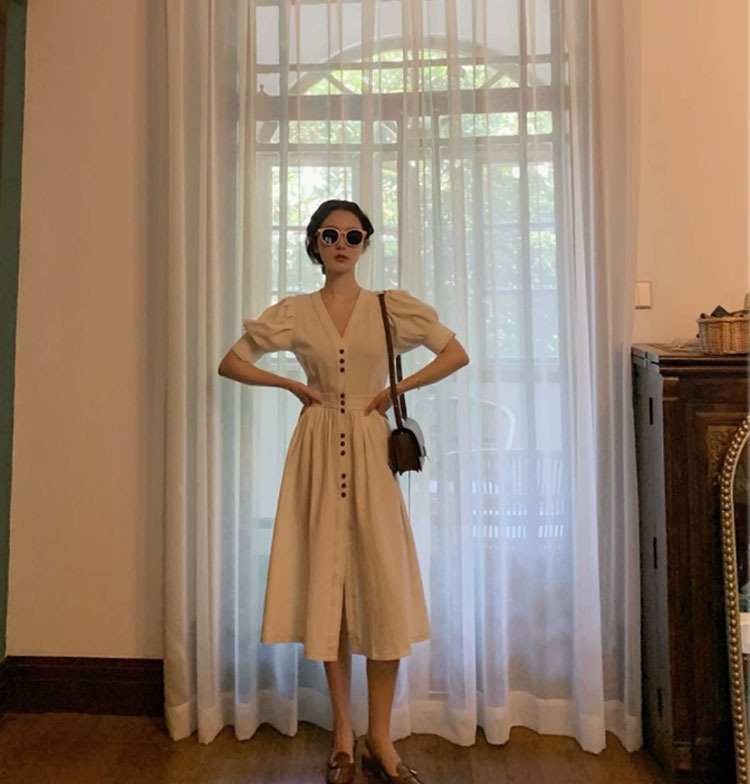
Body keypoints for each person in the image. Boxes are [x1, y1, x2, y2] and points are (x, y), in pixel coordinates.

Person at [218, 199, 469, 784]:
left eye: (353, 236)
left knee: (382, 587)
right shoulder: (294, 311)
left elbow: (455, 353)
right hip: (315, 448)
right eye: (329, 235)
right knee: (326, 588)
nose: (341, 244)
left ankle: (381, 738)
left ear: (365, 244)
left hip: (371, 448)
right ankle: (342, 737)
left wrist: (396, 389)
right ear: (314, 242)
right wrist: (289, 385)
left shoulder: (389, 307)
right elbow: (232, 362)